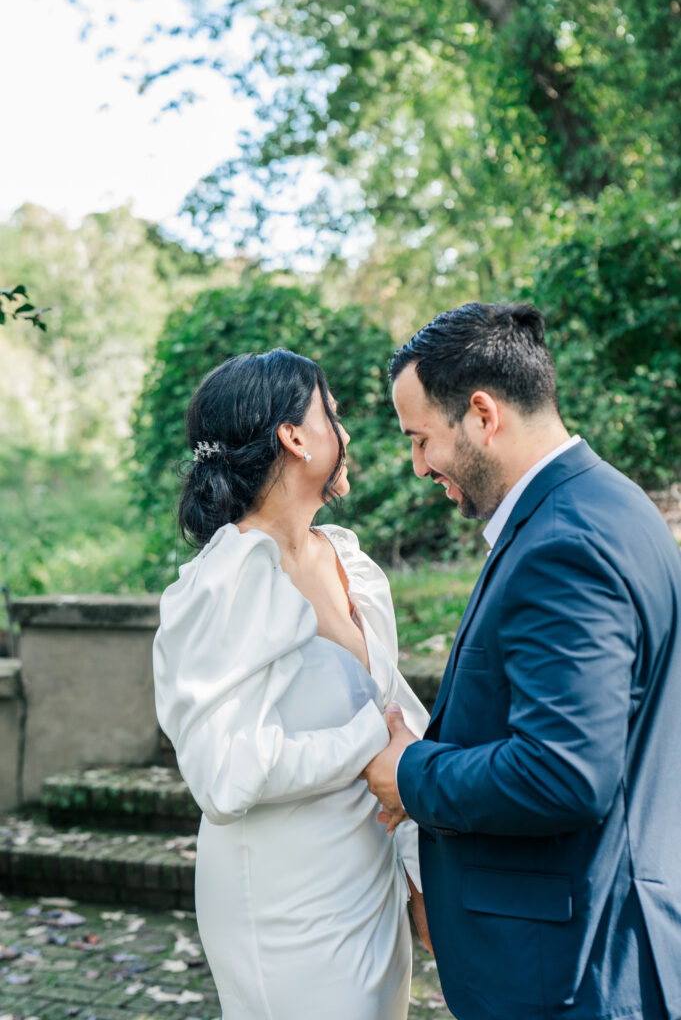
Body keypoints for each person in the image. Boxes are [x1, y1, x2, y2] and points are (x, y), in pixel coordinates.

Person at [364, 302, 681, 1020]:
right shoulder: (611, 505)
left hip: (572, 972)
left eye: (420, 440)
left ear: (481, 414)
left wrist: (408, 773)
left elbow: (562, 772)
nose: (418, 467)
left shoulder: (561, 545)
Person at [152, 348, 430, 1020]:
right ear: (293, 437)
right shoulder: (231, 580)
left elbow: (394, 709)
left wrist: (424, 842)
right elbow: (224, 774)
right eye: (330, 413)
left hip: (367, 882)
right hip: (283, 904)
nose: (347, 430)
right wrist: (369, 741)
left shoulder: (348, 559)